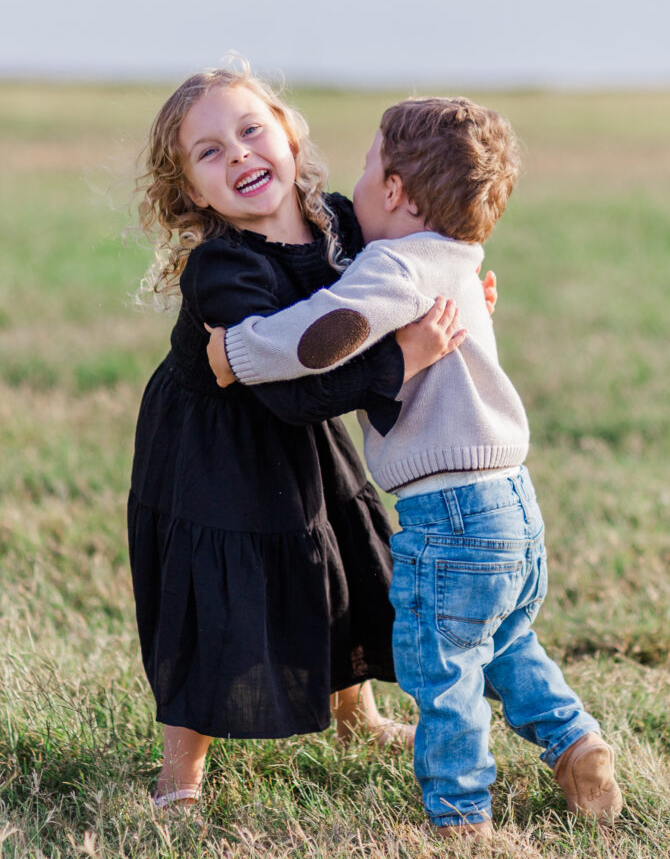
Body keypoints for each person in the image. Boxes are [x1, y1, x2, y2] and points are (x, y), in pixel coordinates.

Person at [206, 96, 623, 838]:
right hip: (513, 506)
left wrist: (236, 351)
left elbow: (319, 337)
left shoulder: (394, 266)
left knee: (441, 666)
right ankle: (574, 742)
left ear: (395, 191)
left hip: (450, 515)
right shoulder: (459, 261)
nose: (358, 183)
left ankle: (459, 819)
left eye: (369, 168)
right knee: (501, 642)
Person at [129, 67, 476, 810]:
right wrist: (405, 357)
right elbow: (289, 394)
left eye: (251, 131)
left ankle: (357, 714)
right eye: (210, 152)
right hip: (213, 445)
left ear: (287, 134)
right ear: (192, 191)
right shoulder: (222, 267)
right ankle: (178, 776)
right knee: (216, 595)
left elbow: (408, 260)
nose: (240, 155)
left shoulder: (339, 224)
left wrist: (460, 288)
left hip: (305, 432)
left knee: (337, 558)